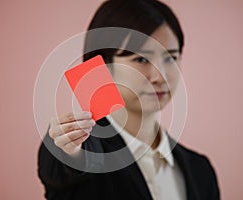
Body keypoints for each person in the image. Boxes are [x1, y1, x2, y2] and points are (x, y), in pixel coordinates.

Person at [38, 0, 220, 199]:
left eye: (170, 58)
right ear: (103, 65)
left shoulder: (200, 170)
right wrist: (68, 151)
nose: (160, 77)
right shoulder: (84, 155)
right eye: (141, 59)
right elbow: (65, 166)